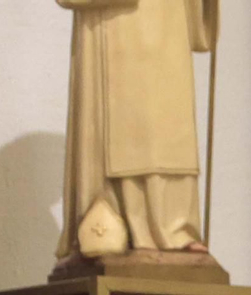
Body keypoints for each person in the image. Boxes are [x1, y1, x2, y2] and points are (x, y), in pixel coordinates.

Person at [55, 0, 218, 259]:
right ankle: (125, 223)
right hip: (116, 25)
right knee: (131, 121)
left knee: (170, 124)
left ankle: (175, 227)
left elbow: (200, 30)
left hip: (168, 25)